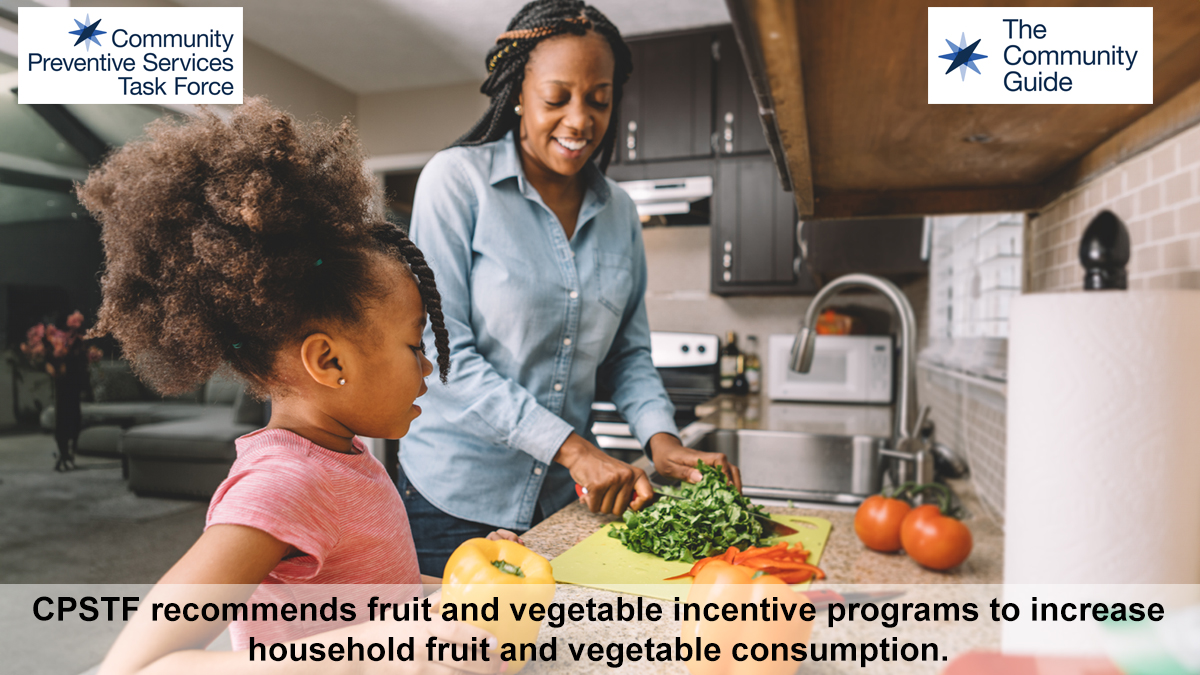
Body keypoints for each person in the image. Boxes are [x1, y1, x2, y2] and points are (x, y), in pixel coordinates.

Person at [80, 99, 508, 674]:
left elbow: (387, 602)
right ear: (329, 361)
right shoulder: (283, 485)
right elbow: (136, 668)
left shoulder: (347, 459)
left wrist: (468, 593)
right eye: (413, 346)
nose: (427, 367)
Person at [401, 0, 741, 576]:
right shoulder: (457, 183)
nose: (580, 119)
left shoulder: (620, 214)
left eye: (599, 99)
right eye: (557, 98)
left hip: (563, 502)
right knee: (458, 662)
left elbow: (628, 356)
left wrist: (662, 440)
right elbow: (443, 350)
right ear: (518, 93)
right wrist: (576, 449)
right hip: (454, 500)